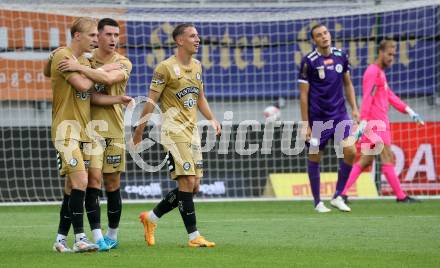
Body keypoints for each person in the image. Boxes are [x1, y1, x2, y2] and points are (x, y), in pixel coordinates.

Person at [132, 23, 221, 247]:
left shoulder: (198, 66)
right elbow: (151, 101)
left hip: (192, 132)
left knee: (194, 187)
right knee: (187, 181)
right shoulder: (165, 68)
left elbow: (200, 97)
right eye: (192, 36)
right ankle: (194, 237)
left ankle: (150, 218)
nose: (197, 39)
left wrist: (211, 117)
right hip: (172, 132)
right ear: (180, 40)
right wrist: (139, 130)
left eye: (198, 36)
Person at [56, 18, 132, 250]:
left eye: (116, 35)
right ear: (96, 36)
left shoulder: (123, 62)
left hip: (115, 130)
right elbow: (91, 95)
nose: (113, 39)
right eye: (108, 34)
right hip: (88, 131)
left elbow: (108, 80)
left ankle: (112, 233)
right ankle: (92, 235)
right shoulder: (84, 58)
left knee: (112, 184)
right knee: (89, 182)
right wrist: (86, 67)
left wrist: (83, 68)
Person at [335, 40, 424, 209]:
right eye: (389, 54)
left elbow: (389, 95)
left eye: (394, 55)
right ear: (380, 52)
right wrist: (363, 122)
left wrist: (409, 111)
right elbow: (367, 98)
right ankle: (401, 196)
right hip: (376, 124)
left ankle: (342, 193)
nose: (392, 58)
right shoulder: (373, 72)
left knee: (365, 161)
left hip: (376, 123)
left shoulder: (380, 73)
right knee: (387, 157)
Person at [298, 23, 359, 213]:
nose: (324, 36)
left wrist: (355, 108)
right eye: (319, 35)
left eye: (325, 33)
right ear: (314, 40)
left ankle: (338, 196)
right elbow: (303, 95)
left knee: (351, 151)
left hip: (340, 115)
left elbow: (347, 84)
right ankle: (317, 202)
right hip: (318, 118)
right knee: (315, 157)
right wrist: (305, 124)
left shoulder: (341, 56)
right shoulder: (309, 61)